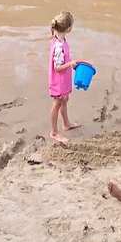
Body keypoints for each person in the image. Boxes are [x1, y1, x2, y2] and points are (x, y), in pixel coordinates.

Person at [48, 11, 83, 143]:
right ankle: (54, 132)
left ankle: (66, 123)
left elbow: (64, 60)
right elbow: (57, 67)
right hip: (58, 81)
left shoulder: (59, 40)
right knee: (57, 103)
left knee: (65, 100)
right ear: (68, 28)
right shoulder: (58, 47)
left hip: (64, 78)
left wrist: (72, 64)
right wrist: (69, 64)